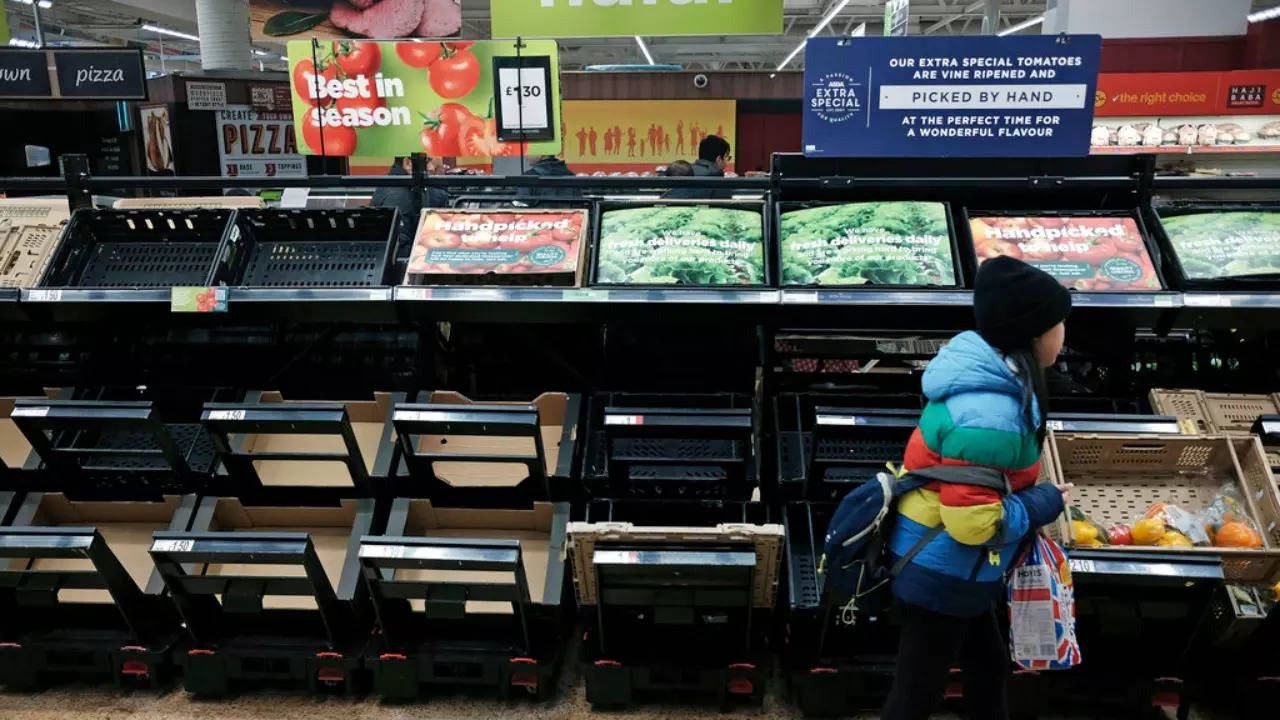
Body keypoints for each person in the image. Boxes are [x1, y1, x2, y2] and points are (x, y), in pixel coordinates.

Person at [882, 255, 1072, 720]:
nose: (1064, 334)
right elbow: (972, 523)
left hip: (951, 562)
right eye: (1059, 323)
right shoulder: (992, 414)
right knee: (916, 692)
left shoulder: (993, 384)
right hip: (945, 565)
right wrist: (1042, 502)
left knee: (986, 665)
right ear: (1033, 334)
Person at [370, 156, 449, 259]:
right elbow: (399, 252)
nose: (431, 168)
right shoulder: (400, 197)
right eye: (428, 161)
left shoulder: (395, 186)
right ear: (407, 163)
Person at [665, 135, 732, 199]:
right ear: (719, 159)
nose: (727, 162)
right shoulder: (718, 178)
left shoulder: (682, 171)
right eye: (727, 158)